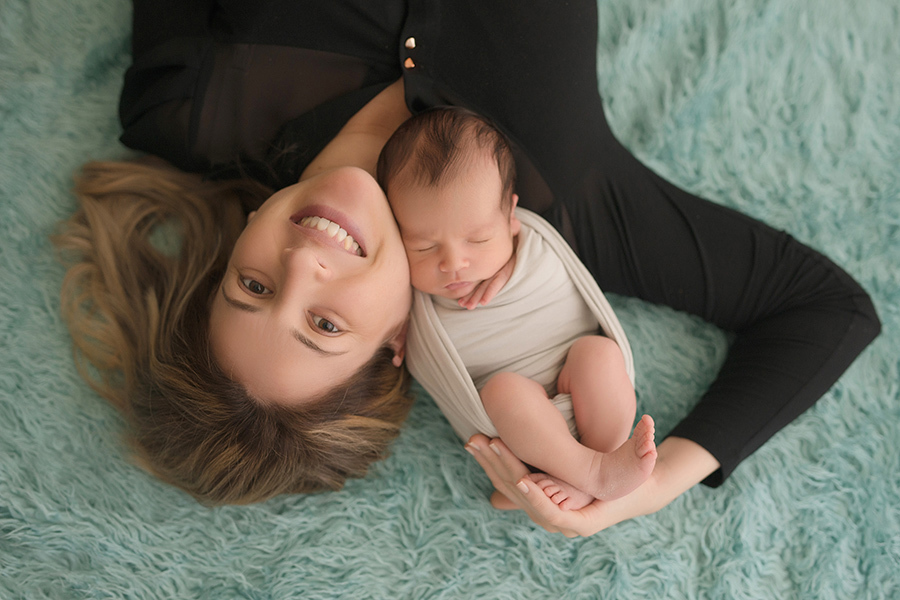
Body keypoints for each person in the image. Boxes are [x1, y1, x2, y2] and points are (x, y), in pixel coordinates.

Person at [54, 0, 880, 535]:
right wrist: (647, 488)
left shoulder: (178, 103)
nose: (305, 262)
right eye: (325, 324)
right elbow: (823, 307)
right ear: (399, 343)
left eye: (254, 288)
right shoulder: (563, 203)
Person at [378, 107, 657, 510]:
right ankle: (579, 472)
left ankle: (600, 464)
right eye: (422, 246)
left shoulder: (533, 247)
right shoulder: (409, 297)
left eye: (477, 240)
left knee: (599, 354)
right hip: (515, 426)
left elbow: (558, 278)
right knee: (504, 390)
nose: (454, 263)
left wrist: (513, 263)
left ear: (511, 216)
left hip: (582, 391)